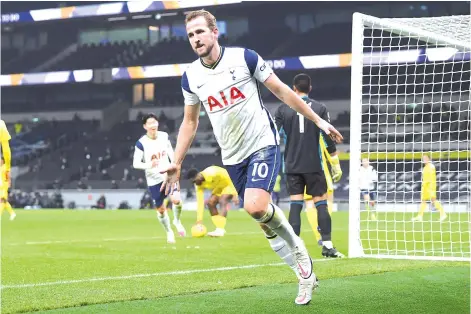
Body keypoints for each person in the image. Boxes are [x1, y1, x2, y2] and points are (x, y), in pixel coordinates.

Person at [159, 10, 343, 305]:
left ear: (215, 32)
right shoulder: (190, 77)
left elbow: (282, 92)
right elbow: (190, 123)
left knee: (256, 206)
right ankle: (304, 276)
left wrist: (318, 122)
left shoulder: (245, 58)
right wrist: (177, 162)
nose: (195, 39)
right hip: (232, 156)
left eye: (200, 32)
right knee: (262, 220)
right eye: (190, 35)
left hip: (262, 142)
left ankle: (298, 249)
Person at [275, 73, 344, 258]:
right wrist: (335, 163)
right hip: (314, 164)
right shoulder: (320, 108)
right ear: (310, 88)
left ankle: (294, 248)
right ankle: (328, 245)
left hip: (291, 164)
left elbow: (275, 135)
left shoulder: (283, 109)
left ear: (294, 88)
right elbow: (327, 135)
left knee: (296, 205)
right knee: (321, 203)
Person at [133, 113, 186, 244]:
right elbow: (136, 164)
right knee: (161, 210)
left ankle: (177, 221)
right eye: (150, 123)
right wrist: (149, 164)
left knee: (176, 200)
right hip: (153, 180)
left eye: (154, 122)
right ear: (145, 126)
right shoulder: (141, 143)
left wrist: (175, 164)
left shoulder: (164, 136)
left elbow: (170, 152)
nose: (153, 125)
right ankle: (169, 231)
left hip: (168, 174)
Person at [304, 135, 339, 246]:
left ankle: (318, 235)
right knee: (327, 201)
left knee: (309, 204)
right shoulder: (318, 130)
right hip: (320, 171)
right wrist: (336, 165)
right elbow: (328, 146)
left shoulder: (295, 132)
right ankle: (322, 227)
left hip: (301, 172)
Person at [186, 166, 238, 237]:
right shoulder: (198, 185)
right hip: (219, 187)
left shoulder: (212, 173)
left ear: (198, 175)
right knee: (210, 203)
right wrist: (199, 220)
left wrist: (235, 194)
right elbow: (200, 203)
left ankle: (220, 230)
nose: (195, 183)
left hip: (230, 183)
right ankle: (219, 228)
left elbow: (229, 177)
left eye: (194, 181)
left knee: (222, 200)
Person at [412, 153, 447, 222]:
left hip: (430, 186)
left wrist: (428, 186)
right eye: (423, 158)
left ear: (429, 159)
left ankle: (443, 214)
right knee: (423, 201)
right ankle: (420, 216)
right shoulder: (425, 168)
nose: (424, 159)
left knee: (433, 200)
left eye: (425, 158)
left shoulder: (431, 166)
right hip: (425, 186)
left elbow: (431, 178)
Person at [0, 120, 15, 221]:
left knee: (2, 201)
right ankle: (12, 213)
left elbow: (7, 174)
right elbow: (6, 149)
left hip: (3, 186)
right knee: (3, 201)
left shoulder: (4, 167)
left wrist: (8, 182)